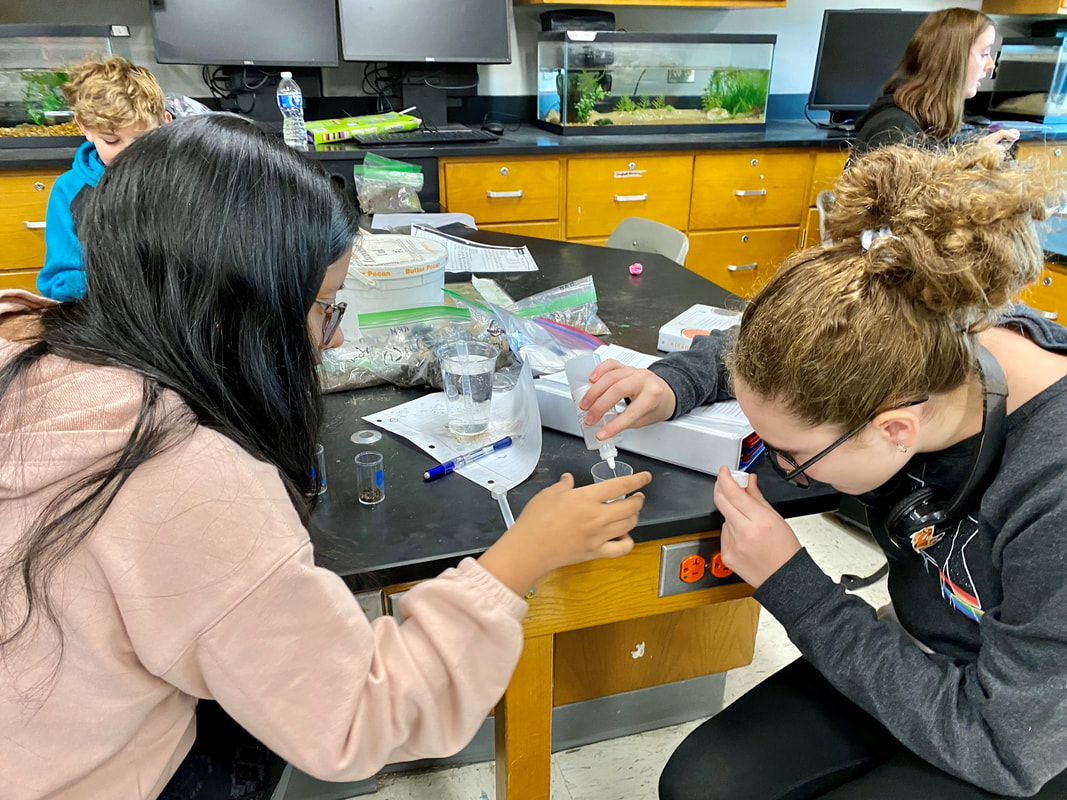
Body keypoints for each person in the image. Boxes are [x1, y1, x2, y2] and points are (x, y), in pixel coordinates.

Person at [0, 114, 651, 800]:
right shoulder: (183, 478)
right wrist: (518, 559)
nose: (332, 343)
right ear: (241, 309)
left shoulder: (24, 343)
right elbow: (358, 720)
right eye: (324, 309)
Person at [579, 142, 1067, 798]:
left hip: (1022, 733)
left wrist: (795, 585)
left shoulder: (1051, 489)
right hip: (940, 651)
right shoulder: (916, 327)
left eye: (790, 458)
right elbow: (775, 350)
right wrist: (675, 384)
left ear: (895, 429)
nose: (774, 467)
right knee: (702, 785)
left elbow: (1003, 747)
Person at [38, 56, 170, 302]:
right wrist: (123, 282)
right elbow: (58, 280)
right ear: (83, 127)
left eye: (142, 140)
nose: (129, 153)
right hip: (104, 311)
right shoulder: (68, 190)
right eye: (111, 140)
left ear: (166, 123)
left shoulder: (185, 179)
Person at [853, 8, 1019, 155]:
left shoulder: (922, 123)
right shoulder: (897, 131)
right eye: (984, 54)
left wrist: (975, 153)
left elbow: (934, 163)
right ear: (952, 60)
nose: (991, 65)